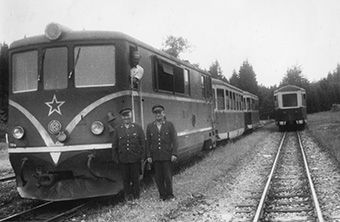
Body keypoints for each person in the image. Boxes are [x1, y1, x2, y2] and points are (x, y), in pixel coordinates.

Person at [112, 108, 145, 201]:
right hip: (123, 159)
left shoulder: (137, 127)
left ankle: (136, 197)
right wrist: (115, 157)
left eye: (128, 115)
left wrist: (142, 156)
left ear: (131, 116)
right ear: (121, 117)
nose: (126, 117)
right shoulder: (118, 129)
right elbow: (115, 144)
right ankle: (127, 197)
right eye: (124, 116)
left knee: (135, 179)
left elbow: (142, 142)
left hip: (135, 158)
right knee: (125, 180)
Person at [146, 105, 178, 201]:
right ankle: (162, 196)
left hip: (167, 155)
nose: (158, 115)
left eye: (160, 113)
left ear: (163, 113)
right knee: (158, 177)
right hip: (156, 156)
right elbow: (148, 142)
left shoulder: (169, 125)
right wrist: (148, 155)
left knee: (168, 176)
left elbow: (175, 140)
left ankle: (170, 195)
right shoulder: (150, 126)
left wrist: (174, 154)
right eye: (156, 113)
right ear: (154, 115)